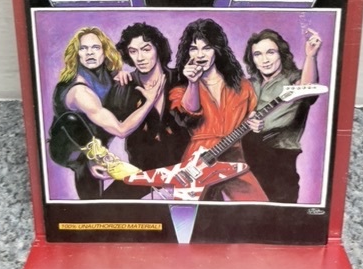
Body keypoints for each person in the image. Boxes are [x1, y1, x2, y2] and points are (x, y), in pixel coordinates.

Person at [49, 26, 164, 199]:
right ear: (77, 54)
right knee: (73, 123)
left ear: (105, 52)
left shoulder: (109, 76)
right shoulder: (80, 91)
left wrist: (122, 76)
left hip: (98, 141)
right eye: (83, 48)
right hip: (68, 144)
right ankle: (97, 165)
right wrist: (149, 101)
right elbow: (121, 130)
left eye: (95, 47)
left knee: (127, 91)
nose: (89, 53)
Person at [169, 19, 267, 202]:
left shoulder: (243, 86)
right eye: (193, 48)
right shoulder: (181, 89)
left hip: (234, 157)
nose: (200, 54)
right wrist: (193, 82)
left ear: (217, 49)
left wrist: (257, 124)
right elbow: (189, 113)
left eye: (206, 48)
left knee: (258, 207)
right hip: (198, 160)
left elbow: (252, 116)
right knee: (189, 210)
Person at [102, 22, 190, 199]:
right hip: (142, 173)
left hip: (185, 172)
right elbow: (104, 132)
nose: (140, 57)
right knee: (106, 205)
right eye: (133, 51)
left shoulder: (181, 79)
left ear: (158, 49)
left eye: (146, 49)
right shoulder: (124, 86)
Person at [242, 28, 322, 203]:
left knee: (279, 210)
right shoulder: (249, 84)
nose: (264, 60)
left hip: (279, 159)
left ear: (281, 54)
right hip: (245, 158)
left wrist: (311, 56)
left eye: (270, 52)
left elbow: (307, 88)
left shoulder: (293, 79)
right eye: (257, 54)